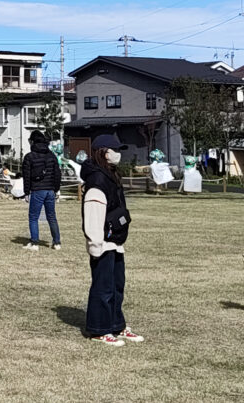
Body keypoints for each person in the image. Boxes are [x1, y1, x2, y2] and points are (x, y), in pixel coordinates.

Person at [82, 135, 143, 347]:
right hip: (102, 243)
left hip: (115, 241)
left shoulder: (111, 176)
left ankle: (116, 324)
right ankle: (99, 329)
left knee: (117, 285)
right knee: (103, 287)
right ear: (104, 152)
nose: (118, 154)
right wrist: (95, 245)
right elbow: (93, 215)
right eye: (114, 150)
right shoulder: (97, 180)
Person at [22, 130, 61, 251]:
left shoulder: (29, 157)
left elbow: (27, 176)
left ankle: (34, 243)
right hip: (50, 190)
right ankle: (57, 242)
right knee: (52, 217)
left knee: (33, 217)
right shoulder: (52, 156)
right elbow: (57, 174)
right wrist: (56, 189)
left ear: (32, 141)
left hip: (37, 189)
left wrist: (26, 192)